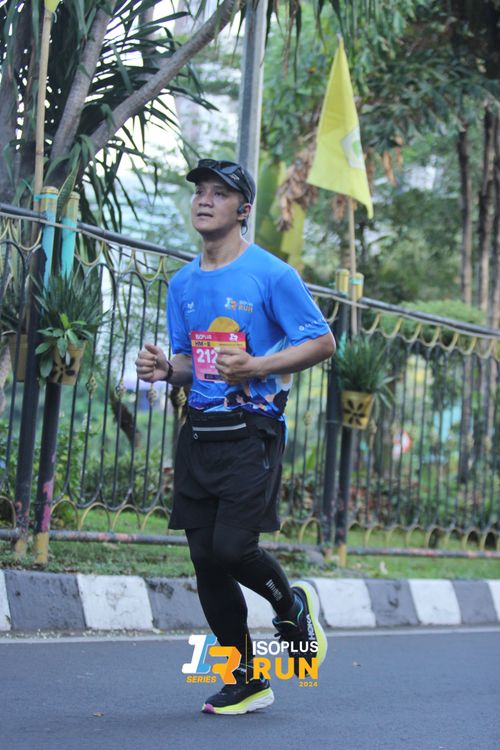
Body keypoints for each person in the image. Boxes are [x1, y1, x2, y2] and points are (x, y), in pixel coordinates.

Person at [136, 158, 336, 716]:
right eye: (200, 191)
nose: (204, 200)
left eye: (219, 193)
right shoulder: (183, 282)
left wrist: (257, 365)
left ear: (243, 209)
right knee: (205, 560)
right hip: (200, 432)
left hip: (253, 431)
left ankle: (291, 607)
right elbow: (189, 362)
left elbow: (322, 342)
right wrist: (165, 369)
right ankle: (246, 677)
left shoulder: (271, 274)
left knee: (232, 549)